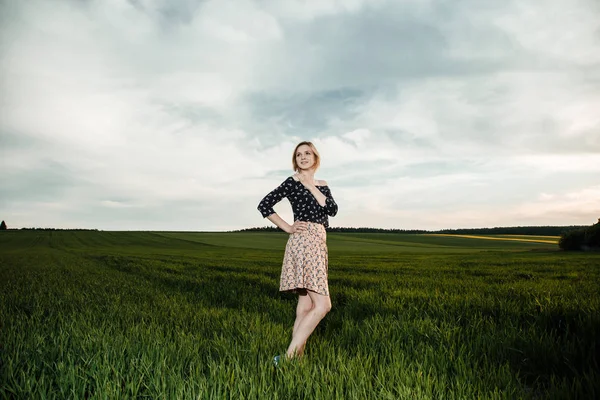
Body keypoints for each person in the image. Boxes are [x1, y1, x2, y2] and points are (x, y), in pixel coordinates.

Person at [257, 141, 338, 365]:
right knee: (323, 305)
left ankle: (297, 359)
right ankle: (288, 357)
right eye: (299, 154)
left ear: (315, 157)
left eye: (307, 153)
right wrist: (288, 227)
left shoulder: (322, 184)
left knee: (305, 305)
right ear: (296, 160)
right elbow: (264, 205)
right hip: (303, 241)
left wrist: (310, 185)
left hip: (319, 242)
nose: (303, 157)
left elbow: (332, 209)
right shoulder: (292, 182)